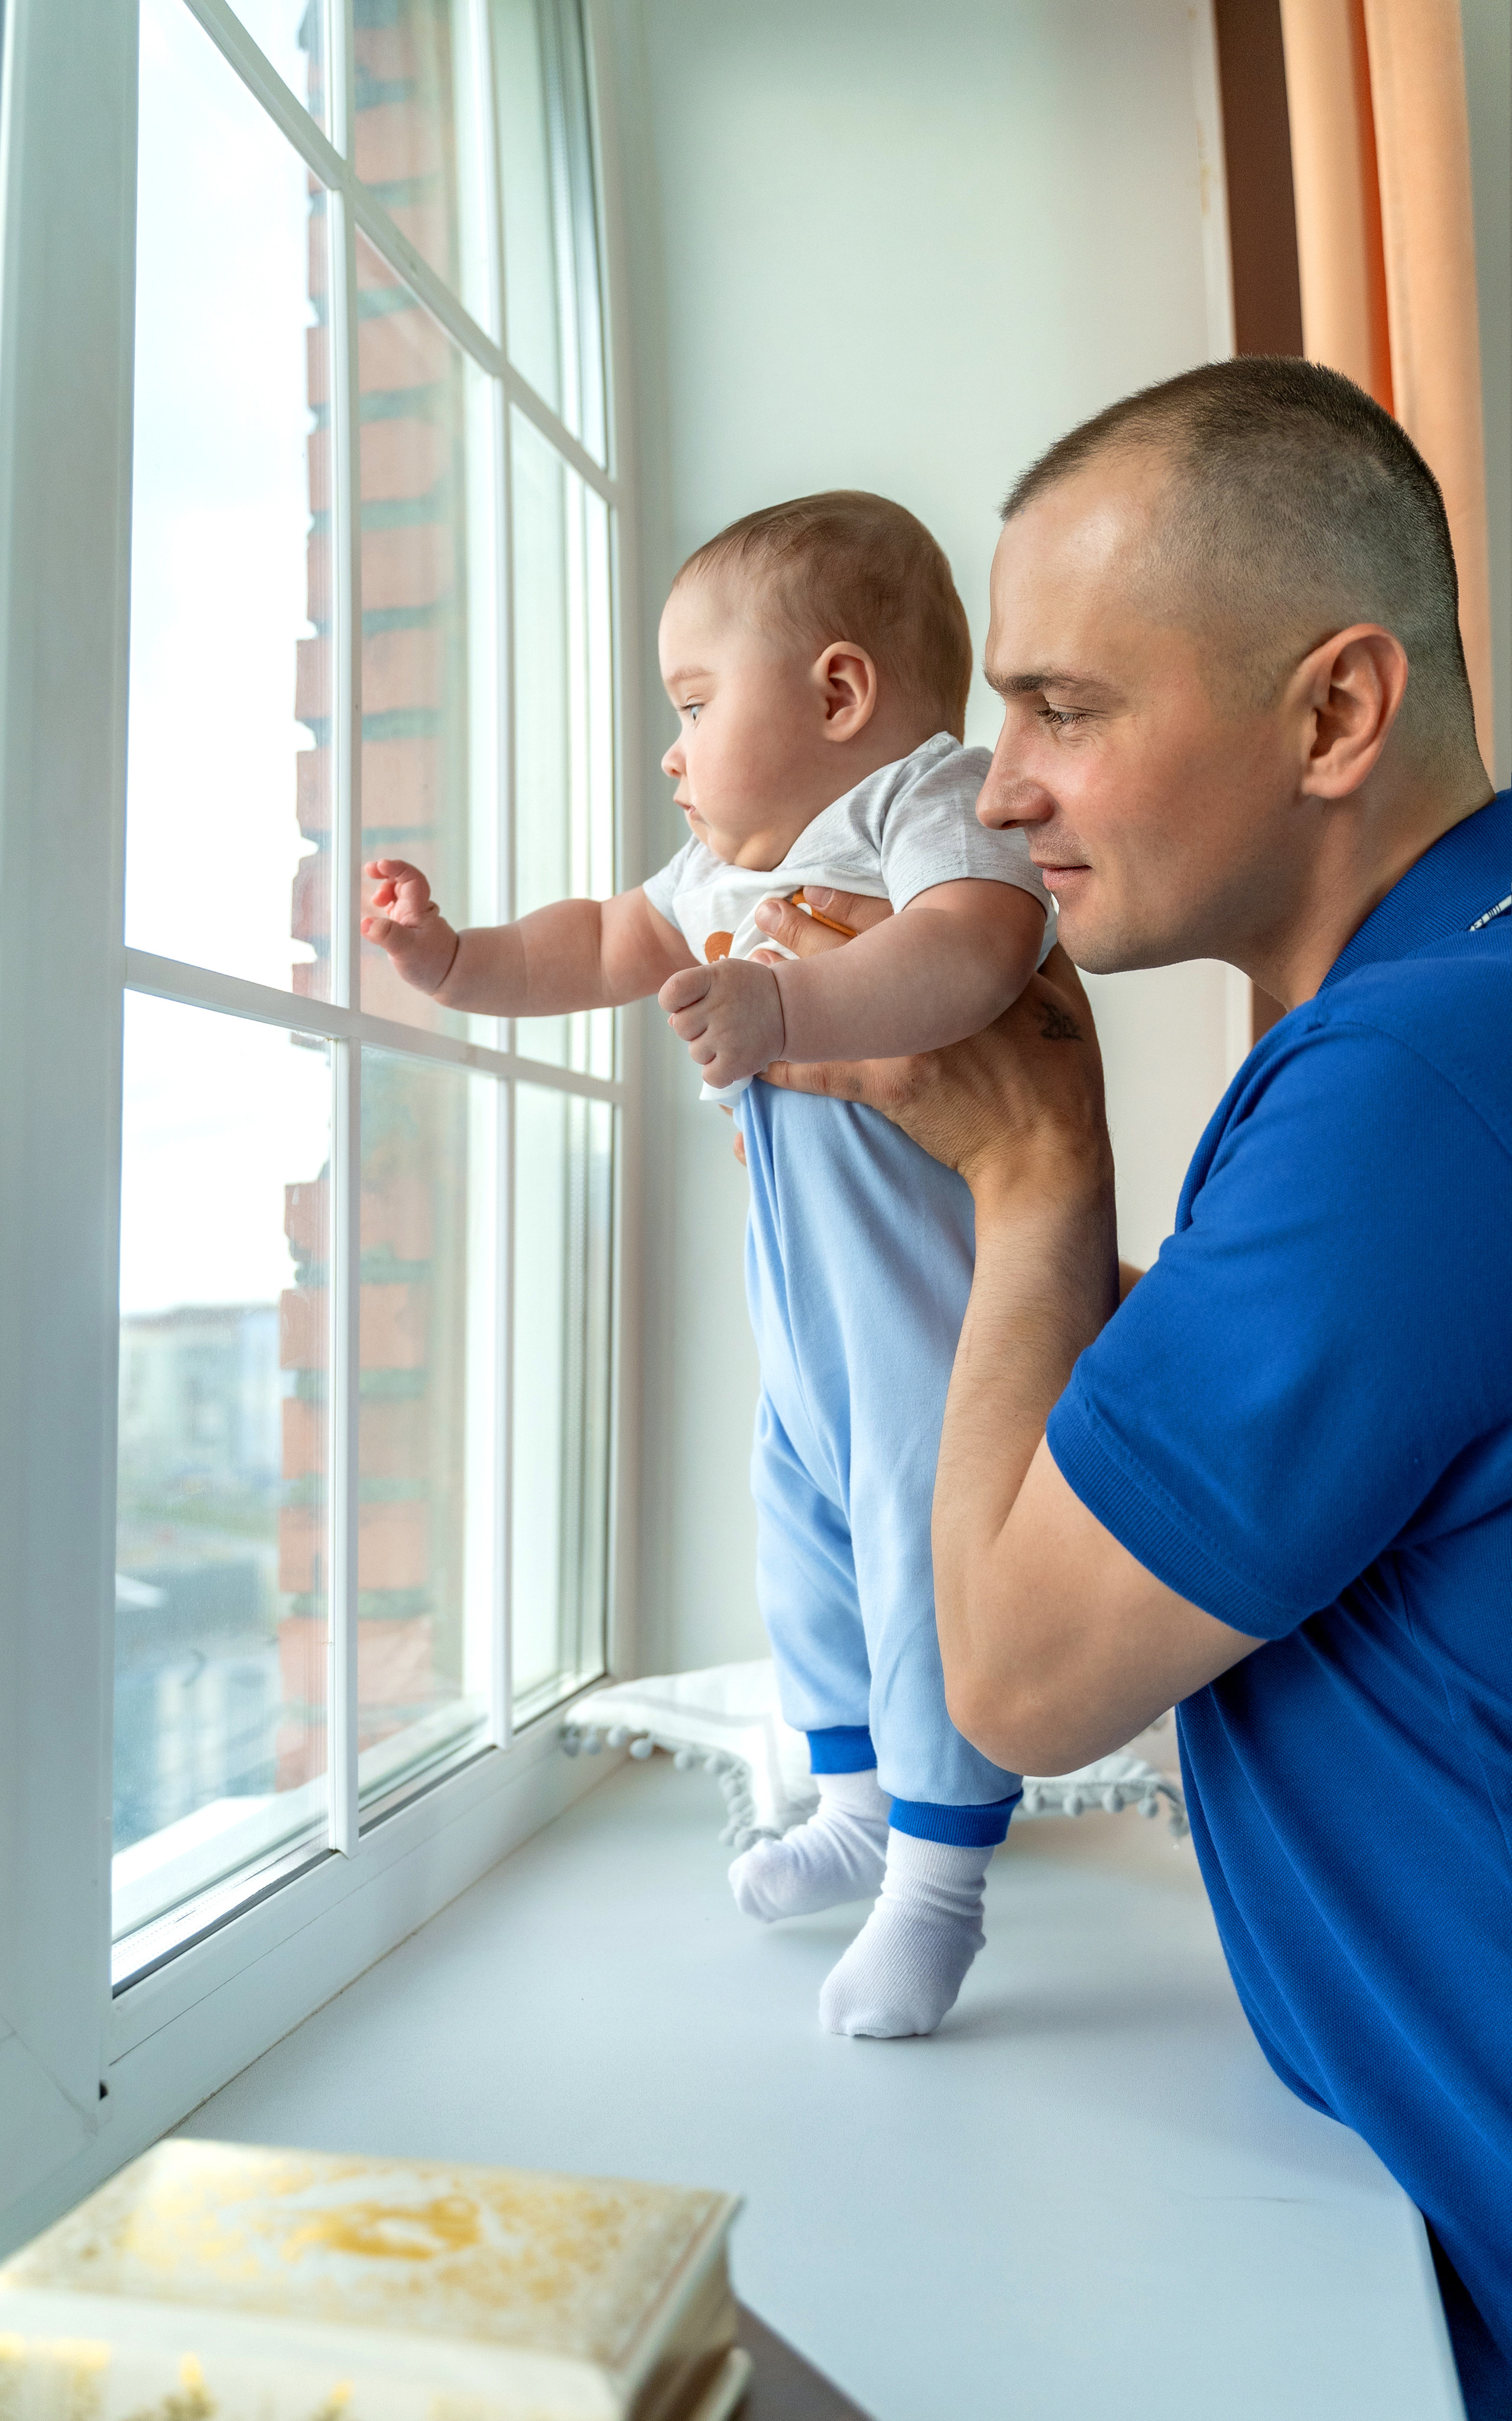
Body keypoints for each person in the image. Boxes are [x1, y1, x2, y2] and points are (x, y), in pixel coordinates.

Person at [750, 359, 1512, 2415]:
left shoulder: (1416, 1085)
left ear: (1335, 713)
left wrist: (1028, 1171)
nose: (999, 790)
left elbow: (1015, 1675)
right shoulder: (1457, 1011)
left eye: (1066, 709)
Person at [361, 491, 1057, 2039]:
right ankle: (857, 1803)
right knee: (800, 1537)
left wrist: (787, 1013)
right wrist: (459, 959)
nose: (670, 753)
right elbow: (607, 937)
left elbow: (980, 944)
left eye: (691, 705)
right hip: (808, 1336)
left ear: (837, 695)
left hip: (933, 1333)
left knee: (913, 1563)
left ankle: (941, 1886)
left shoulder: (919, 807)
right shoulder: (718, 880)